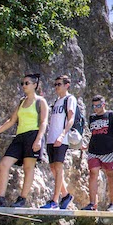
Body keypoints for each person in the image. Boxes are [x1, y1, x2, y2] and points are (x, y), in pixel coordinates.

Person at [0, 73, 49, 208]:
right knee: (4, 164)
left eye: (26, 83)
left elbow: (44, 122)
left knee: (28, 167)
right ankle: (0, 198)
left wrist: (38, 140)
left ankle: (22, 199)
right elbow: (12, 120)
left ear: (34, 85)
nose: (24, 86)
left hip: (33, 135)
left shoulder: (40, 101)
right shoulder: (21, 102)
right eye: (22, 83)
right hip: (20, 137)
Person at [40, 74, 77, 210]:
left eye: (59, 84)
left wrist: (62, 135)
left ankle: (54, 201)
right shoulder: (56, 101)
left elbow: (71, 119)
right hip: (51, 138)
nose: (56, 87)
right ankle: (65, 195)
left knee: (59, 167)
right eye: (55, 84)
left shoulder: (70, 99)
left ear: (67, 85)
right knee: (52, 168)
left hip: (61, 138)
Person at [81, 94, 113, 211]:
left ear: (103, 104)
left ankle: (112, 203)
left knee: (110, 175)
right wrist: (87, 145)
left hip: (109, 151)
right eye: (94, 106)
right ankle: (92, 203)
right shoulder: (92, 118)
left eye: (98, 105)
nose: (96, 108)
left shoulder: (111, 115)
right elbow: (95, 134)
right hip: (94, 151)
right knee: (93, 174)